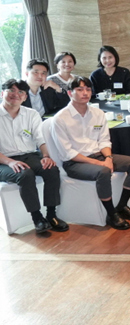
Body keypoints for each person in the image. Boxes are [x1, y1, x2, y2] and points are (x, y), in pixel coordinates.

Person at [53, 77, 130, 230]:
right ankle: (112, 214)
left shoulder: (98, 113)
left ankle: (121, 206)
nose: (85, 93)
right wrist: (100, 163)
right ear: (69, 93)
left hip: (99, 155)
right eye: (80, 89)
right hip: (75, 163)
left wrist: (108, 158)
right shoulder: (60, 118)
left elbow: (104, 140)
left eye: (88, 89)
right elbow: (67, 152)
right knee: (103, 171)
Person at [0, 79, 68, 233]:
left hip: (29, 155)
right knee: (25, 174)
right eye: (11, 90)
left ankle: (51, 214)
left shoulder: (31, 114)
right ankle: (37, 218)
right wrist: (10, 162)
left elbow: (40, 139)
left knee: (51, 169)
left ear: (25, 97)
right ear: (2, 93)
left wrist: (46, 156)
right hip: (3, 161)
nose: (16, 94)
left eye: (21, 92)